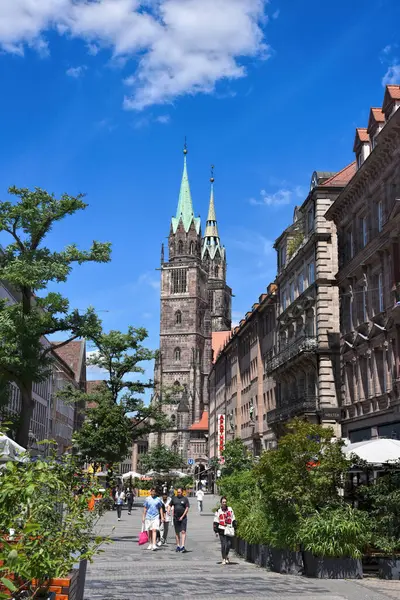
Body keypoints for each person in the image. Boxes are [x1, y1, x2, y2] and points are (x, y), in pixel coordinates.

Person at [213, 496, 237, 565]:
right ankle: (224, 558)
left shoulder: (230, 509)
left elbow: (233, 518)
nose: (224, 503)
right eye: (223, 502)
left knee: (229, 544)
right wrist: (216, 531)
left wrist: (235, 525)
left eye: (225, 502)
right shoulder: (218, 511)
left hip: (229, 528)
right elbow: (216, 521)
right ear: (221, 503)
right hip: (221, 529)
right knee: (223, 544)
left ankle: (226, 556)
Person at [171, 487, 190, 553]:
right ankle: (178, 546)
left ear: (182, 492)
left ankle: (182, 546)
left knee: (183, 531)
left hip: (183, 518)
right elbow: (170, 505)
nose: (178, 493)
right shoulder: (174, 498)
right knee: (177, 532)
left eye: (179, 492)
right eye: (177, 492)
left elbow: (187, 508)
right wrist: (168, 510)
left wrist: (182, 516)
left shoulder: (185, 499)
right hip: (176, 517)